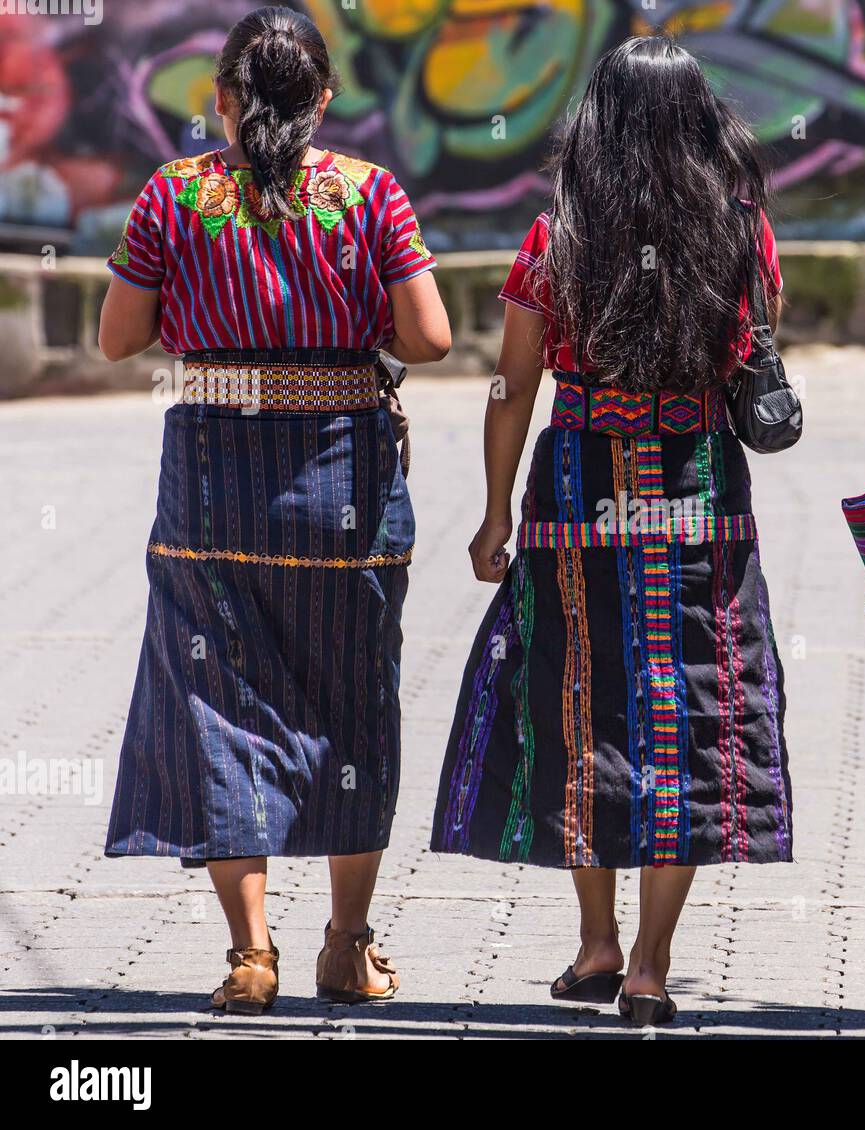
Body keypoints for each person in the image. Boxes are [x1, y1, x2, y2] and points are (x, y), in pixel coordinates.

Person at [430, 35, 794, 1027]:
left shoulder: (556, 240)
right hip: (696, 482)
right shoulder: (738, 229)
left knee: (578, 702)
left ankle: (592, 942)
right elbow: (751, 353)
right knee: (690, 708)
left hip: (578, 479)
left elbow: (511, 386)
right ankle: (647, 964)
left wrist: (496, 508)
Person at [99, 5, 450, 1014]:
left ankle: (251, 954)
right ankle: (346, 944)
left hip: (212, 491)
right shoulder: (369, 194)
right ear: (325, 99)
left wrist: (207, 314)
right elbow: (425, 338)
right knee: (354, 706)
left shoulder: (174, 195)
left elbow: (120, 339)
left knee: (217, 707)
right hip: (345, 489)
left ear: (220, 97)